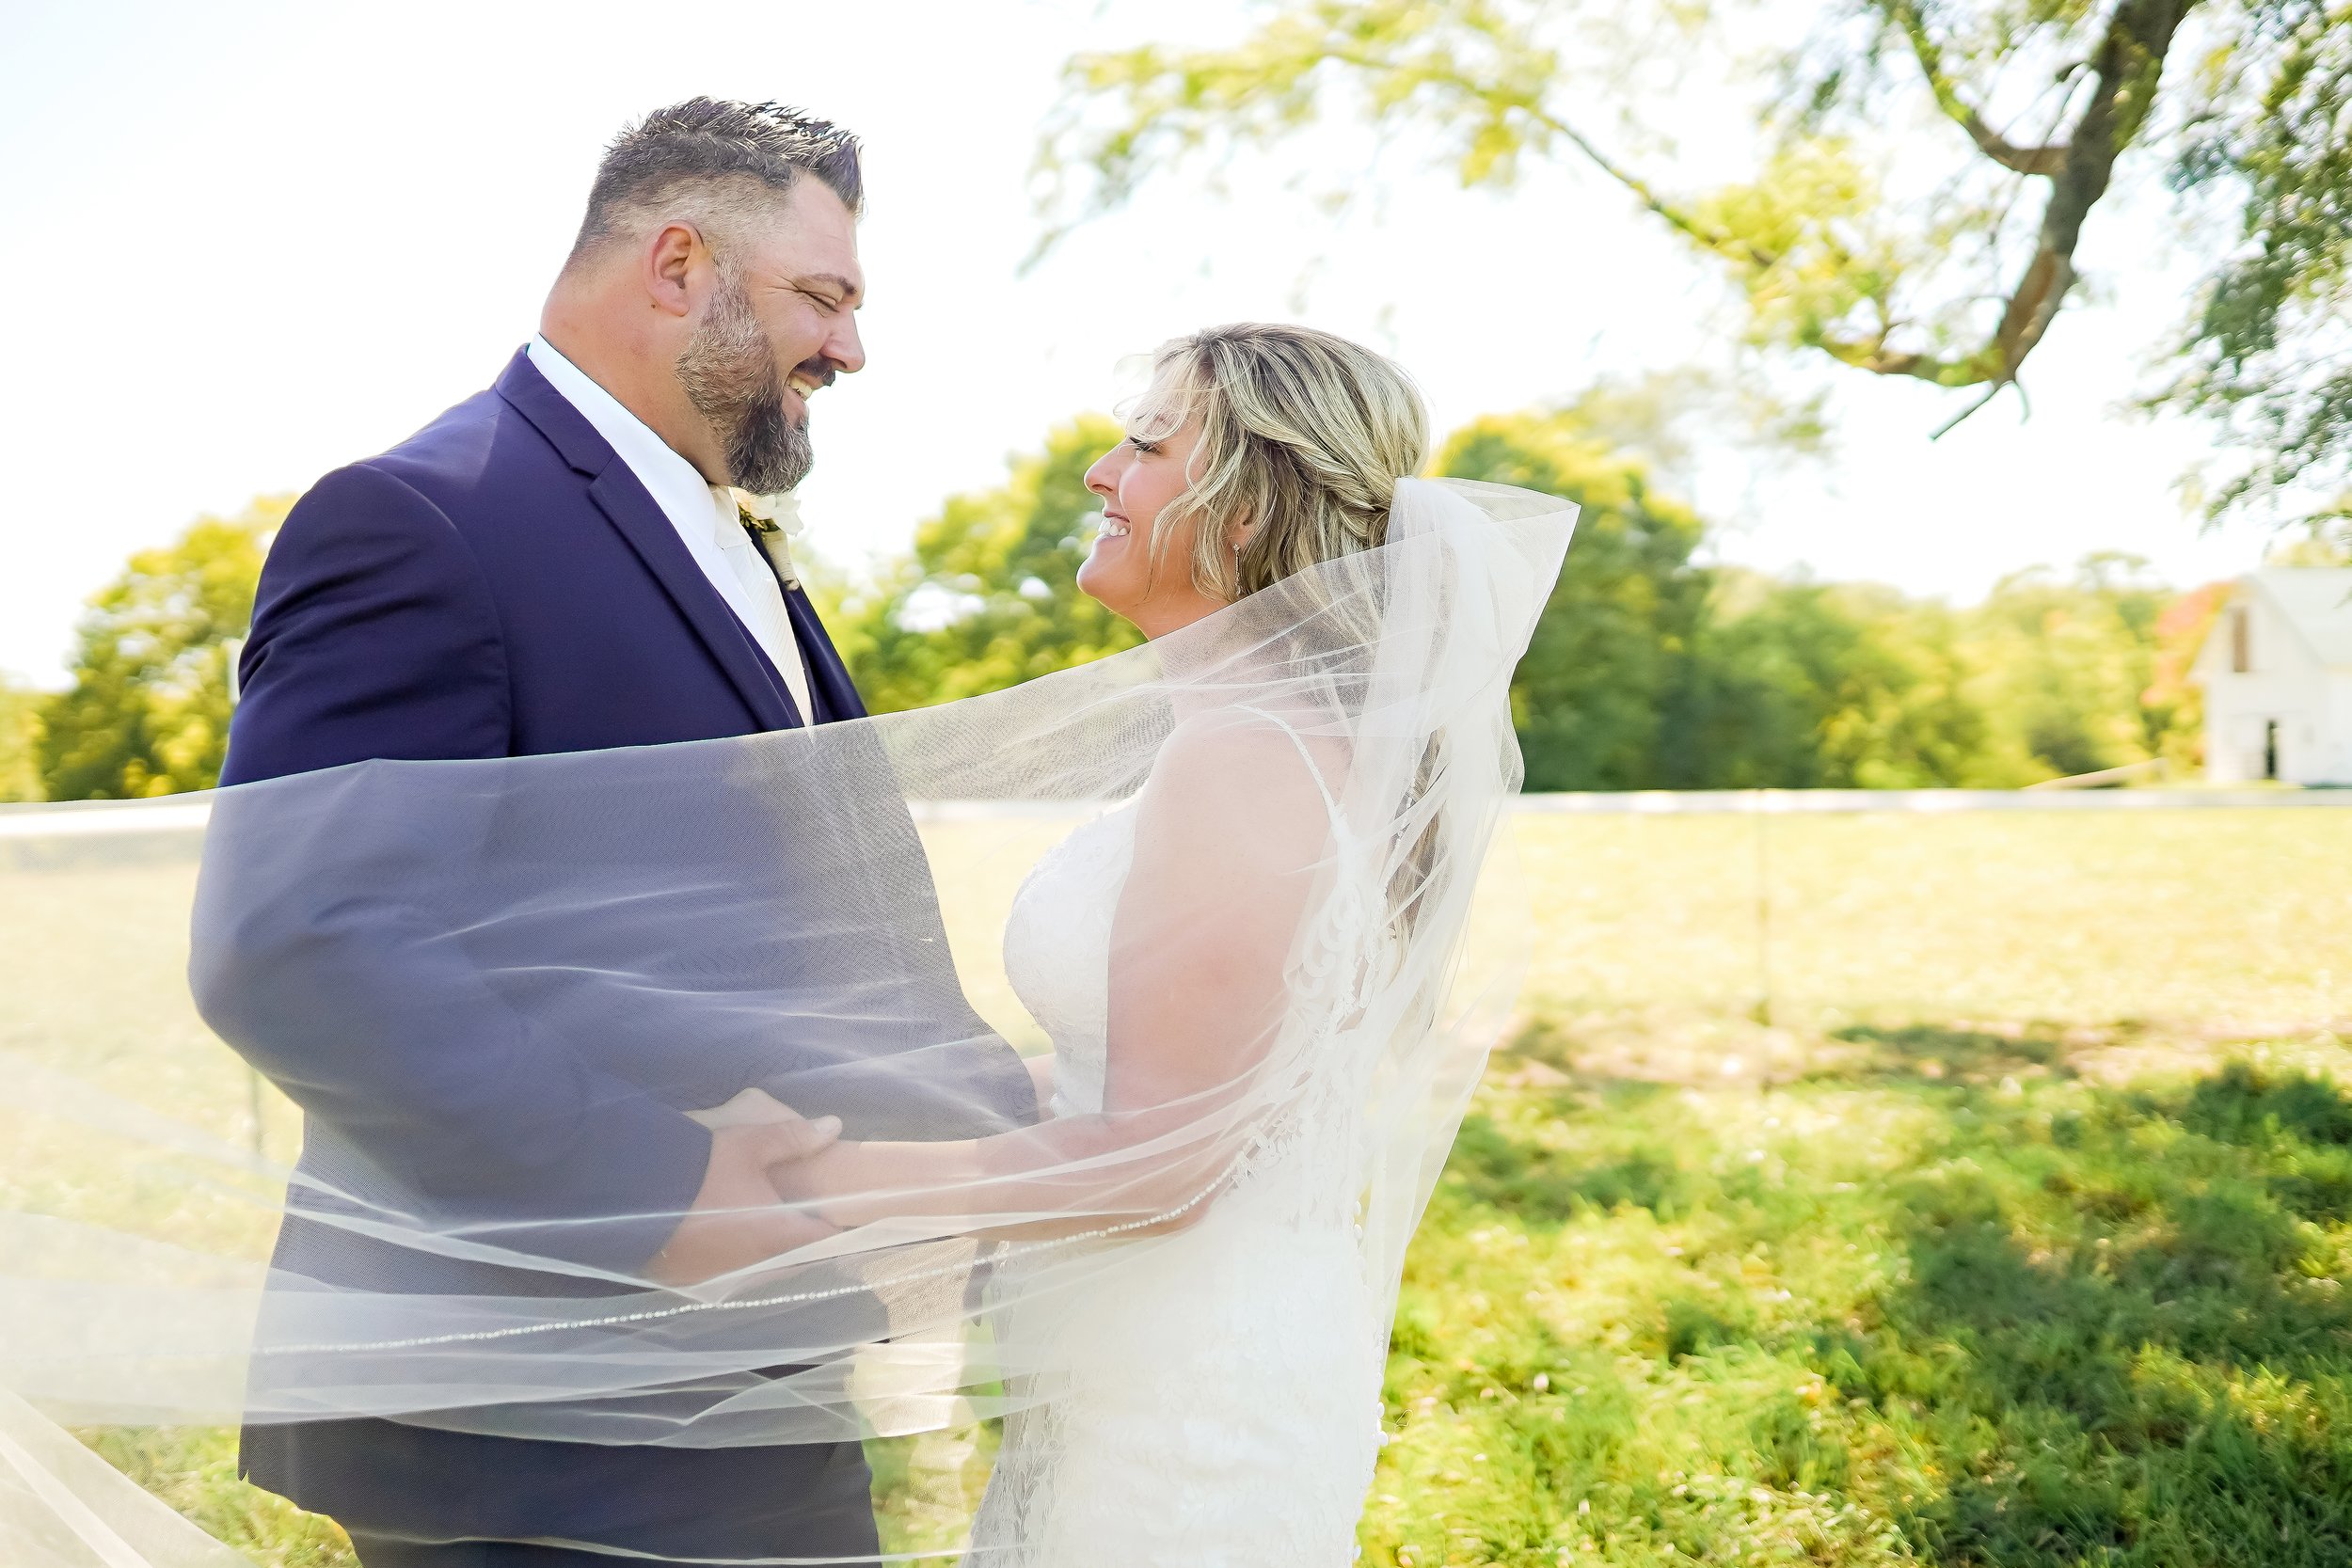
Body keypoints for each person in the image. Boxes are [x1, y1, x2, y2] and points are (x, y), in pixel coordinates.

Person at [213, 98, 1036, 1568]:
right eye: (824, 297)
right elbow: (298, 943)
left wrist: (1044, 1147)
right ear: (676, 266)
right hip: (538, 1419)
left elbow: (812, 923)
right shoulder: (424, 518)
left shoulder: (718, 539)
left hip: (739, 1376)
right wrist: (654, 1189)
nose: (851, 348)